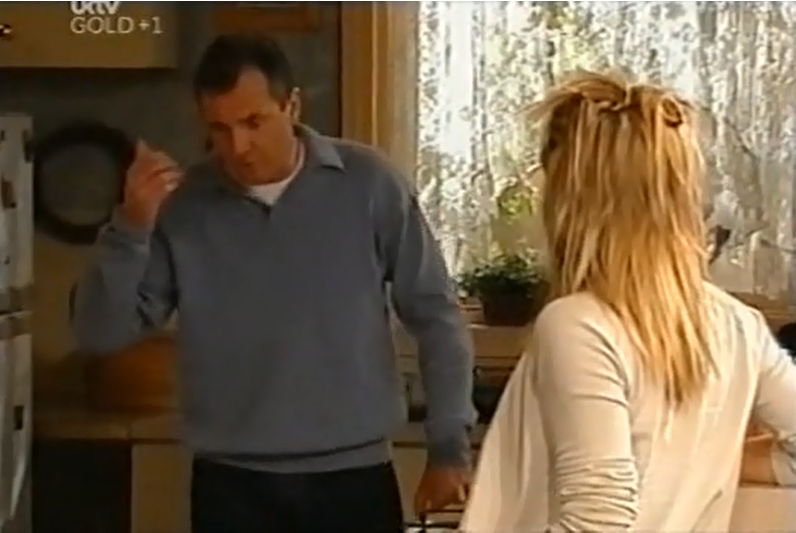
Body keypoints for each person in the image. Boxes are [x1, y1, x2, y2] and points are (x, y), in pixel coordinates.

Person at [71, 34, 475, 533]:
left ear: (293, 106)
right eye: (219, 129)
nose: (237, 147)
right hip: (231, 485)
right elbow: (99, 334)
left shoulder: (369, 183)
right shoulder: (185, 206)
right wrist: (130, 229)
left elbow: (436, 316)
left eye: (253, 122)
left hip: (353, 479)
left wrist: (449, 446)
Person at [460, 70, 796, 532]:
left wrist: (710, 458)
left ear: (571, 199)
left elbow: (598, 517)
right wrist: (702, 459)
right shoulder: (739, 326)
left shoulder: (579, 324)